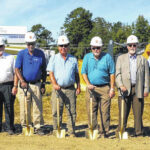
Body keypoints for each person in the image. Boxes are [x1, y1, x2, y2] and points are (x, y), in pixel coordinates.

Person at [47, 35, 81, 137]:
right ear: (58, 47)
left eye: (65, 45)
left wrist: (78, 87)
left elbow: (76, 74)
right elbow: (51, 73)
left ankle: (71, 132)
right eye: (61, 45)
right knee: (56, 111)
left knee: (72, 112)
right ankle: (56, 130)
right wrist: (54, 84)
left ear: (68, 46)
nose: (63, 48)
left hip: (70, 89)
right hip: (58, 89)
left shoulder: (73, 59)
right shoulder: (54, 58)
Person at [81, 36, 115, 138]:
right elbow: (83, 72)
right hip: (91, 88)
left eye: (98, 48)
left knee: (105, 112)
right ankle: (93, 131)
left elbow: (112, 73)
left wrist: (112, 88)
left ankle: (104, 132)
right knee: (91, 111)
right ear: (91, 48)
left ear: (101, 47)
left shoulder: (107, 57)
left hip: (105, 88)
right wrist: (88, 84)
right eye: (94, 48)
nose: (96, 50)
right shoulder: (87, 57)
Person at [115, 35, 149, 137]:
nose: (132, 47)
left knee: (138, 113)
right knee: (123, 113)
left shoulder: (143, 59)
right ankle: (120, 131)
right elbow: (117, 74)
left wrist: (146, 89)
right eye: (130, 45)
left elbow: (147, 75)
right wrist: (120, 86)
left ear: (137, 46)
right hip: (124, 90)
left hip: (138, 89)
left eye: (134, 45)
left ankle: (138, 132)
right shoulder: (121, 58)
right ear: (127, 46)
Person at [15, 32, 47, 135]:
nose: (31, 46)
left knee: (38, 107)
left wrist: (43, 84)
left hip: (36, 84)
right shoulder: (21, 54)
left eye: (32, 43)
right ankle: (26, 126)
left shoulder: (41, 53)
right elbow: (17, 69)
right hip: (25, 85)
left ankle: (38, 127)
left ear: (35, 42)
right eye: (28, 44)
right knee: (24, 107)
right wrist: (22, 81)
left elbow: (44, 70)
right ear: (26, 44)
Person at [0, 37, 18, 135]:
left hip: (8, 85)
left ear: (4, 46)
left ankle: (10, 128)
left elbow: (15, 73)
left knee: (9, 107)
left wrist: (15, 86)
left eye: (1, 46)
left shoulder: (10, 58)